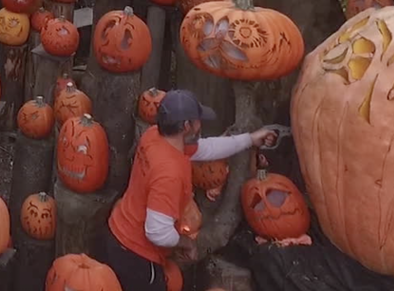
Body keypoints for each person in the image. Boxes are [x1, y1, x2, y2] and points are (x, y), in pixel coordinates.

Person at [94, 89, 278, 291]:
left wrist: (250, 139)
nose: (201, 125)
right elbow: (157, 232)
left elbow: (208, 148)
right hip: (136, 257)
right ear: (186, 126)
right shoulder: (170, 174)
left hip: (115, 233)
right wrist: (186, 243)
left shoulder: (154, 136)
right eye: (197, 121)